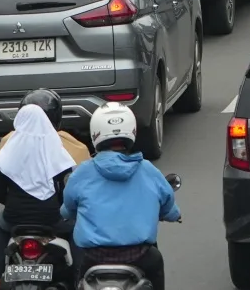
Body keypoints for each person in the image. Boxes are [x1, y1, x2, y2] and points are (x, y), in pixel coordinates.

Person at [60, 103, 179, 290]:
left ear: (95, 132)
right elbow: (167, 202)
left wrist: (67, 212)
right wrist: (173, 215)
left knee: (78, 277)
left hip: (93, 257)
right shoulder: (147, 170)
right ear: (131, 130)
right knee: (156, 262)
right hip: (140, 257)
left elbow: (68, 207)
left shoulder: (82, 172)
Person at [0, 102, 77, 290]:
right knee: (77, 230)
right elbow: (64, 194)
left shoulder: (7, 153)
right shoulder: (57, 151)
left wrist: (14, 204)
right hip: (52, 219)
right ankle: (80, 278)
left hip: (13, 218)